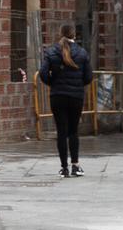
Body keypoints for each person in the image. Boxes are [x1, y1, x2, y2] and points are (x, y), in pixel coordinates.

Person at [38, 24, 93, 178]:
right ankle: (75, 165)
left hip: (57, 96)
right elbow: (89, 77)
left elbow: (42, 73)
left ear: (60, 34)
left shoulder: (51, 51)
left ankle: (64, 168)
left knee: (61, 132)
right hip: (76, 97)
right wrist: (77, 85)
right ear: (74, 35)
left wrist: (52, 83)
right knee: (73, 131)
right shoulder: (82, 53)